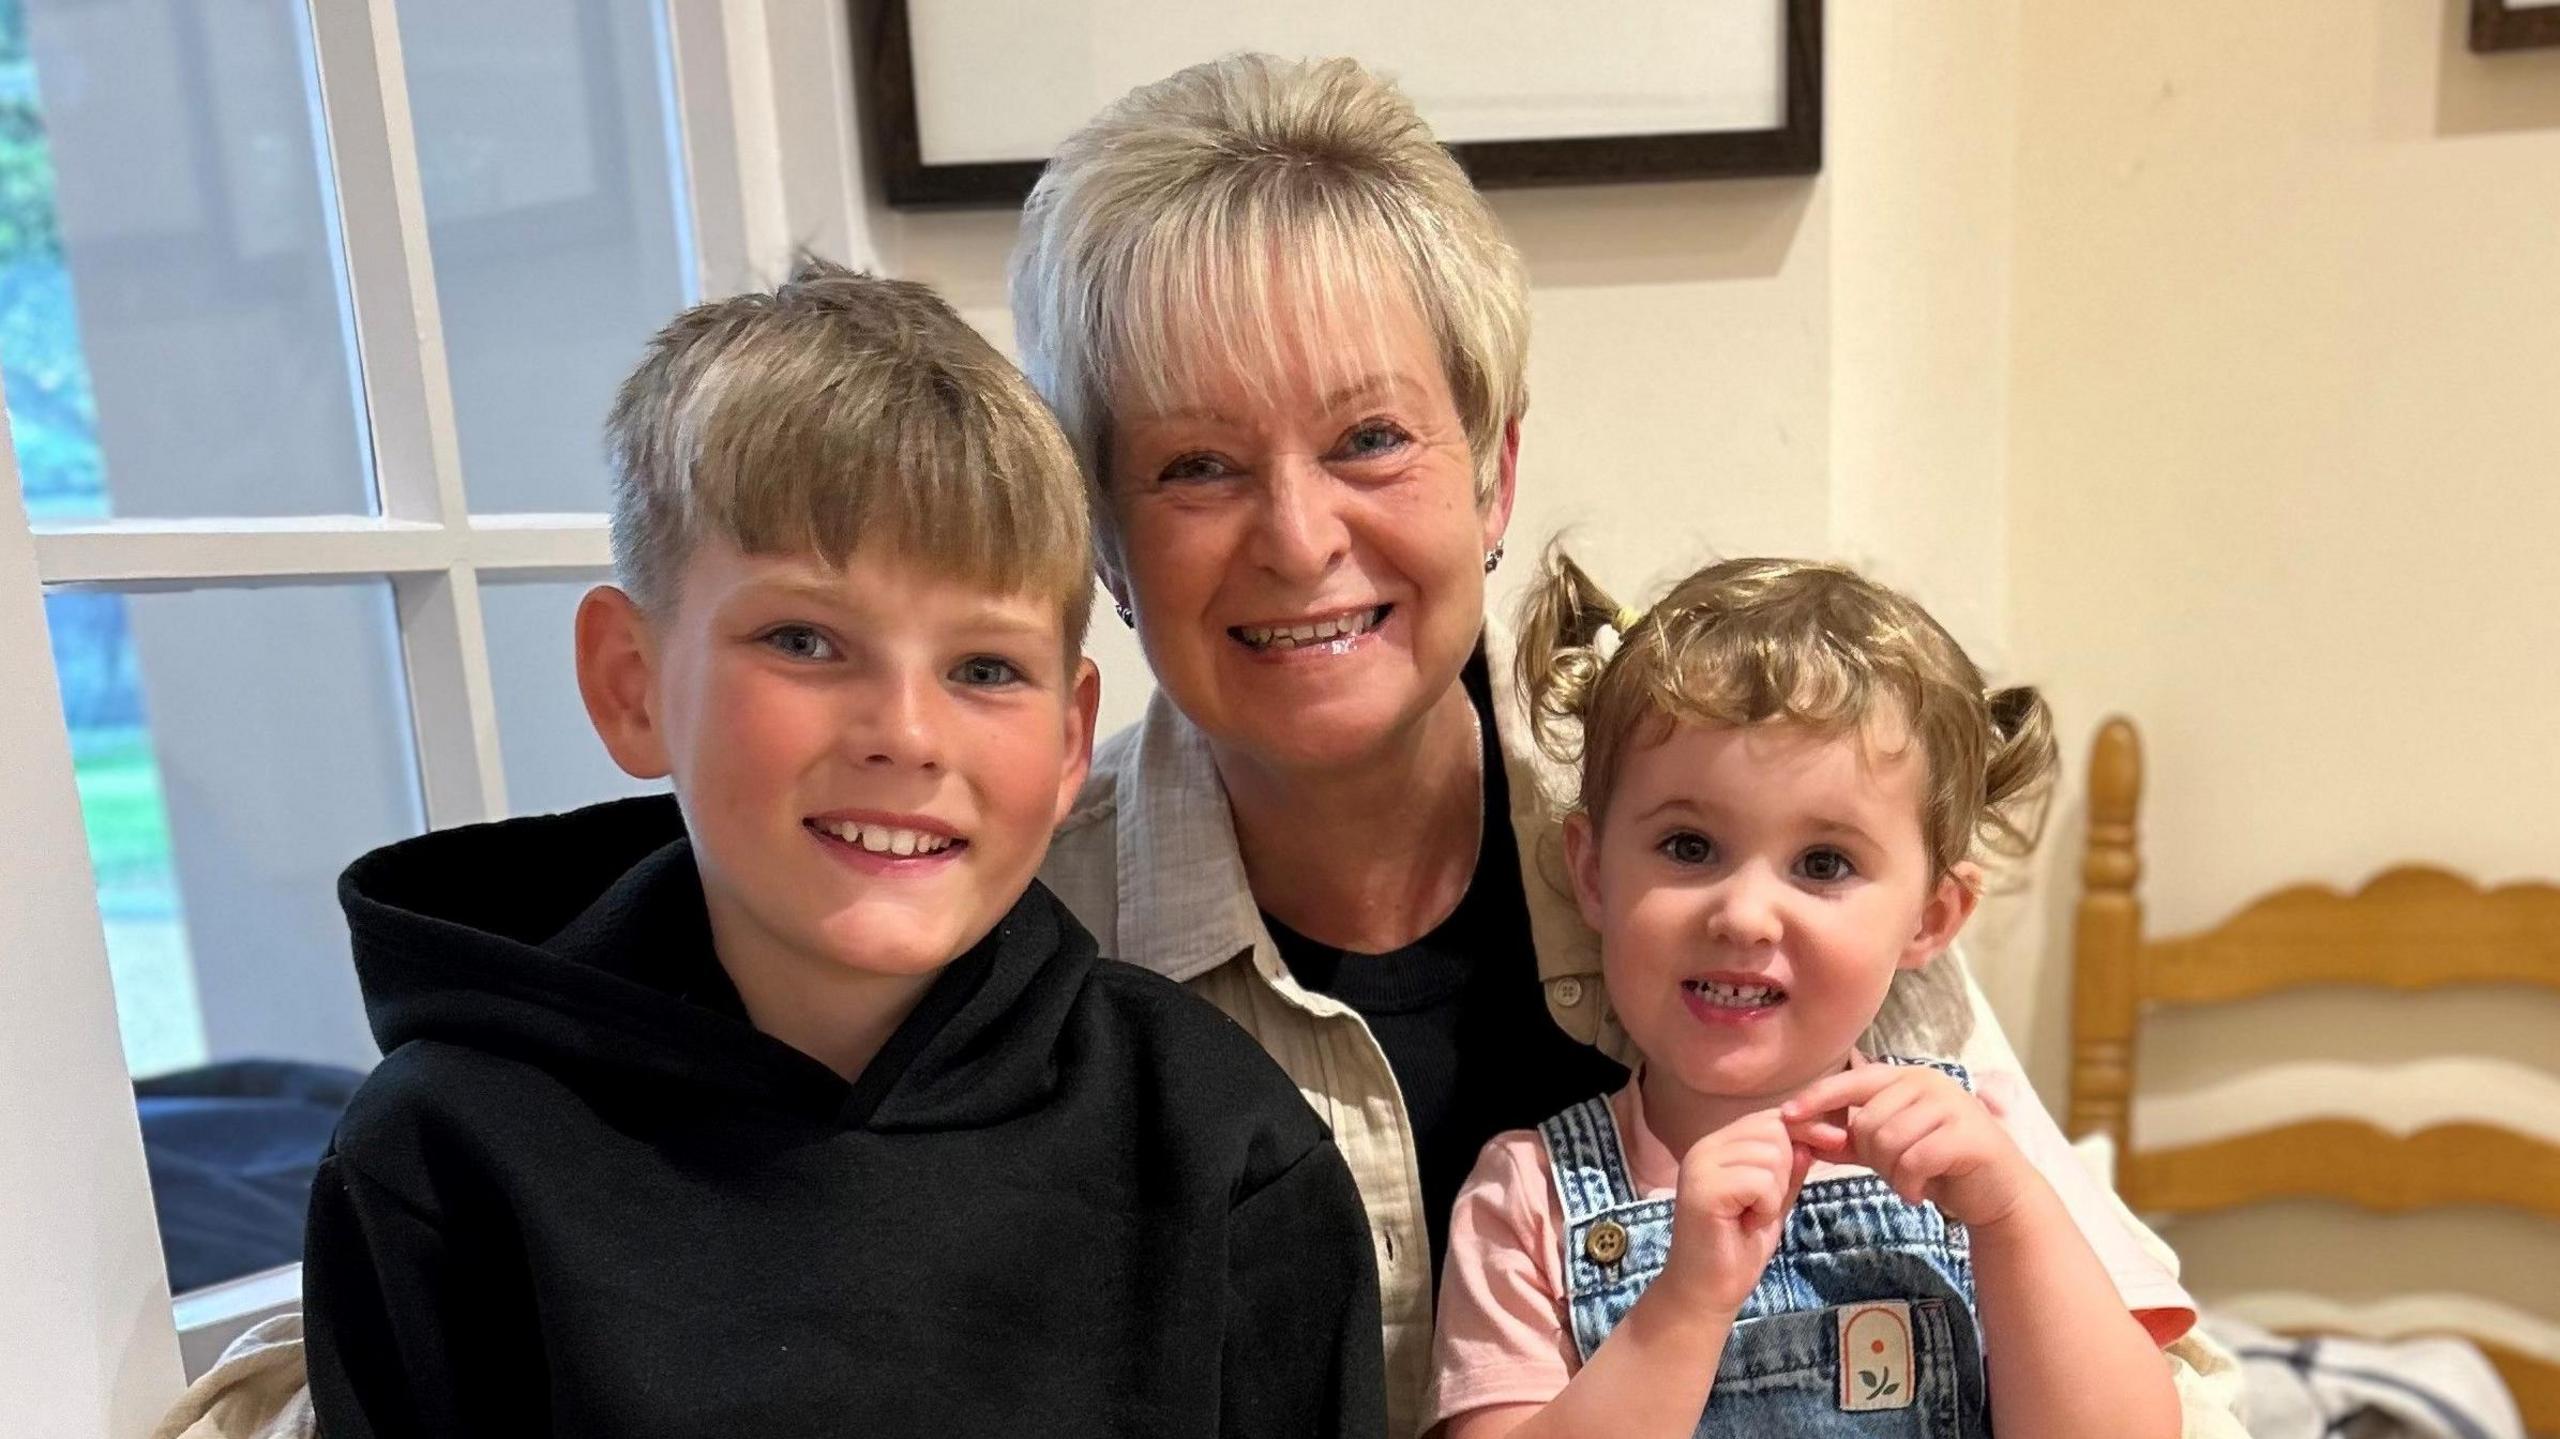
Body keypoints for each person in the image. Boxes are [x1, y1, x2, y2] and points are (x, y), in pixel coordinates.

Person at [1011, 53, 2241, 1437]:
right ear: (1104, 536)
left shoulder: (1765, 838)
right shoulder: (1035, 951)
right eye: (1198, 465)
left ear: (1495, 476)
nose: (1298, 539)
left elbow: (2181, 1407)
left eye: (1369, 437)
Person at [295, 261, 1385, 1438]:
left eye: (983, 667)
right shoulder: (439, 1157)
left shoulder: (1222, 1139)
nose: (907, 735)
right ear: (632, 682)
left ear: (1072, 735)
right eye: (804, 639)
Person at [1426, 550, 2193, 1437]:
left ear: (1931, 918)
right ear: (1593, 872)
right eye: (1687, 845)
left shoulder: (1991, 1137)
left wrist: (2011, 1215)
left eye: (1823, 863)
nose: (1746, 914)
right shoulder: (1529, 1198)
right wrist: (1683, 1308)